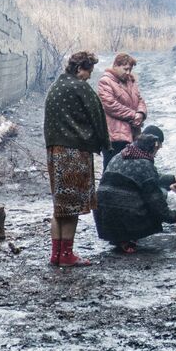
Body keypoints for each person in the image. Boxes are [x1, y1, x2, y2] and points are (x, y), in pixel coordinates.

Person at [43, 50, 111, 266]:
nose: (89, 76)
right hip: (74, 154)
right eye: (88, 71)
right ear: (80, 68)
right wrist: (104, 144)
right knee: (71, 207)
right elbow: (98, 116)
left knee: (59, 207)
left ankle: (56, 255)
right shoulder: (80, 87)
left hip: (54, 153)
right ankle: (67, 256)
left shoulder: (55, 87)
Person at [94, 125, 176, 254]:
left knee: (157, 192)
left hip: (103, 219)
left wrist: (170, 183)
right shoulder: (144, 164)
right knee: (160, 196)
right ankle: (127, 237)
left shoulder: (123, 154)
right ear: (155, 146)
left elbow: (145, 180)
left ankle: (118, 237)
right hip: (122, 215)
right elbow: (156, 203)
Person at [96, 52, 146, 172]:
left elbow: (140, 99)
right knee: (111, 169)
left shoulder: (130, 81)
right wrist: (134, 115)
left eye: (130, 69)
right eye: (125, 69)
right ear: (116, 66)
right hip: (113, 136)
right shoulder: (105, 81)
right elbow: (110, 105)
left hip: (131, 133)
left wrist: (141, 114)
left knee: (129, 169)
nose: (128, 72)